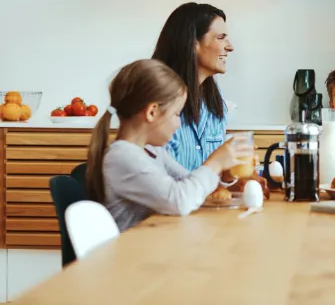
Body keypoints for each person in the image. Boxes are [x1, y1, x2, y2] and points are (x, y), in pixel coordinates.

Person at [85, 59, 237, 231]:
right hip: (131, 253)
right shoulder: (122, 157)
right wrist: (215, 162)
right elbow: (179, 200)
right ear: (152, 112)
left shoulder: (152, 151)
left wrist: (224, 174)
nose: (179, 124)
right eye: (176, 114)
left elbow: (191, 185)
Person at [151, 2, 233, 171]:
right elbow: (163, 177)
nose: (230, 46)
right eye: (220, 37)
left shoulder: (215, 103)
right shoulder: (159, 99)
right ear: (193, 43)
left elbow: (215, 177)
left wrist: (230, 180)